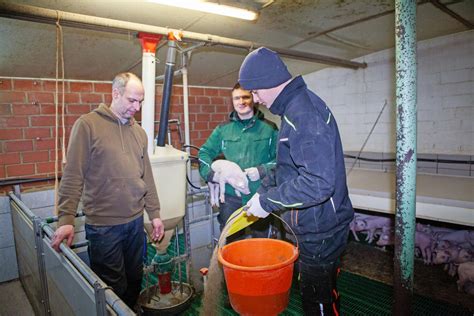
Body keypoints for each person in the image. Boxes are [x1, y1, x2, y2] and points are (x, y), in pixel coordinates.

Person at [239, 47, 354, 315]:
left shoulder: (303, 114)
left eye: (255, 92)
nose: (254, 100)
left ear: (269, 81)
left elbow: (318, 183)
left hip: (321, 231)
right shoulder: (294, 109)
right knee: (322, 291)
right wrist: (264, 190)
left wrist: (268, 202)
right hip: (315, 225)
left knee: (317, 301)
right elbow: (289, 168)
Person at [51, 72, 164, 310]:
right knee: (113, 288)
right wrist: (66, 219)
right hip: (104, 227)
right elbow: (73, 175)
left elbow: (147, 178)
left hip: (134, 222)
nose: (137, 107)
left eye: (141, 102)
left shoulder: (139, 133)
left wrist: (154, 215)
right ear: (115, 93)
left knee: (135, 281)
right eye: (132, 100)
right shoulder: (88, 125)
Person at [198, 83, 278, 240]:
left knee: (262, 243)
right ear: (232, 101)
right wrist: (212, 175)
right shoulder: (223, 130)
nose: (241, 102)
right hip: (230, 197)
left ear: (254, 99)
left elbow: (282, 161)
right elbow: (203, 153)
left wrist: (262, 170)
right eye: (236, 98)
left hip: (260, 194)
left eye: (245, 97)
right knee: (232, 242)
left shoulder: (270, 128)